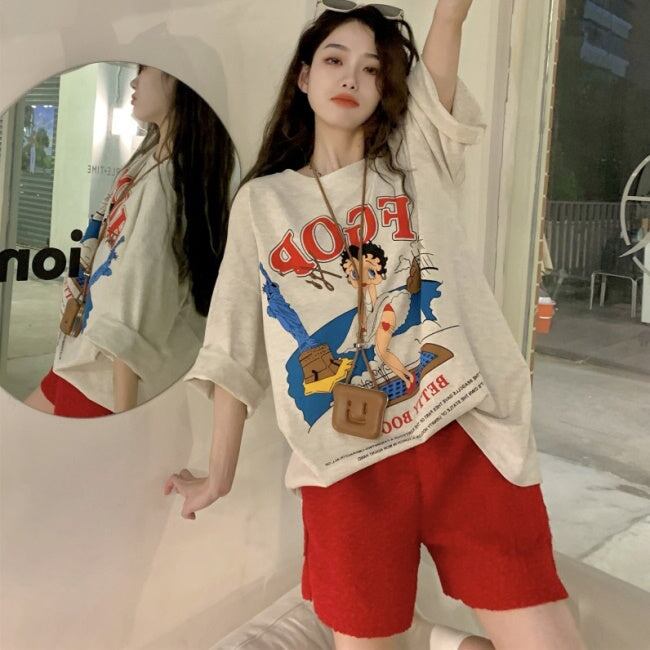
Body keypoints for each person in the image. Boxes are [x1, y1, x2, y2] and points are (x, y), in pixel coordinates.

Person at [165, 3, 587, 649]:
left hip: (460, 436)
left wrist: (450, 13)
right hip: (345, 465)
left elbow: (450, 22)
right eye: (335, 60)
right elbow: (233, 343)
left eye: (371, 69)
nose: (351, 78)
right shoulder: (263, 203)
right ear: (304, 76)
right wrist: (218, 473)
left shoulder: (418, 157)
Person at [24, 64, 235, 417]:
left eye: (145, 70)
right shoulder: (149, 162)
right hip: (81, 357)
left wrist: (125, 417)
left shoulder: (165, 185)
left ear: (180, 81)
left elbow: (131, 312)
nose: (134, 81)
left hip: (103, 381)